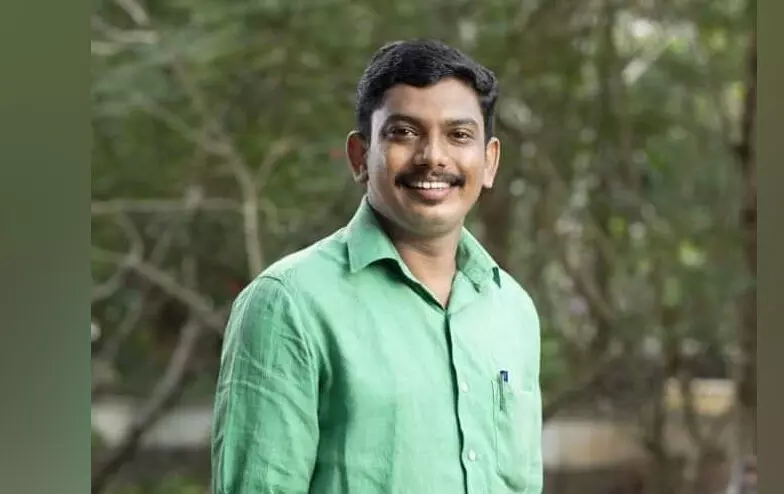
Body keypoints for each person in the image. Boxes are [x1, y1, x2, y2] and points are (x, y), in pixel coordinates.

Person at [211, 38, 544, 494]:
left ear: (489, 162)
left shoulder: (512, 309)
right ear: (359, 157)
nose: (434, 156)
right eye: (404, 132)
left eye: (459, 135)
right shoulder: (288, 304)